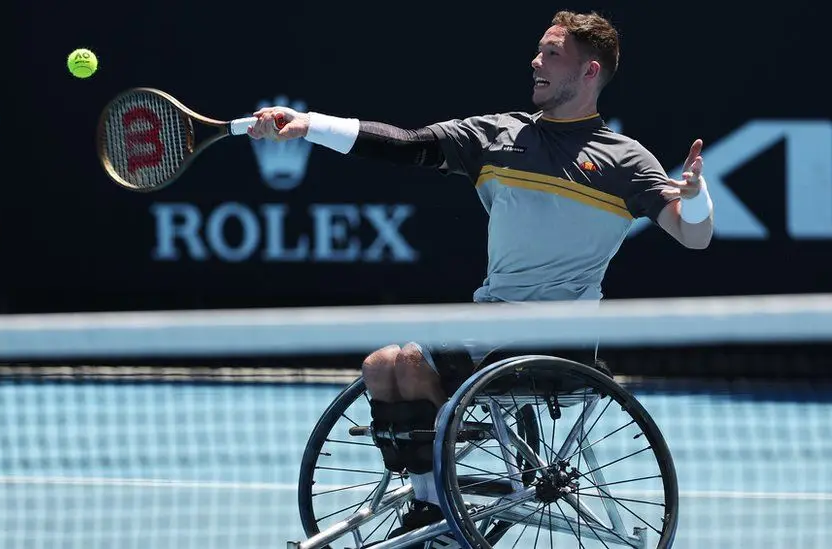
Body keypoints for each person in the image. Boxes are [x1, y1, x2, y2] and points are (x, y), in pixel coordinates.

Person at [248, 9, 713, 546]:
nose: (535, 61)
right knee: (382, 366)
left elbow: (692, 235)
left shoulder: (624, 160)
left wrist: (696, 198)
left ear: (589, 72)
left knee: (403, 363)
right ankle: (432, 504)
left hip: (556, 339)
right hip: (487, 324)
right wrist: (310, 125)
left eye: (552, 54)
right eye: (539, 50)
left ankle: (437, 503)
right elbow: (405, 142)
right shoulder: (496, 134)